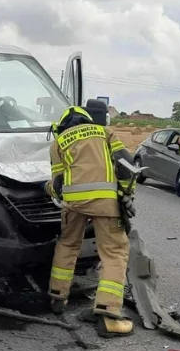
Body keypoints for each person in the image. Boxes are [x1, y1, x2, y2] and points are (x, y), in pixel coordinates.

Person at [45, 106, 137, 338]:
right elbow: (126, 165)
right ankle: (108, 316)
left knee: (67, 244)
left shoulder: (58, 143)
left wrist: (46, 189)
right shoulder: (105, 132)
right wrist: (127, 193)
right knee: (114, 252)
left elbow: (57, 185)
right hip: (105, 202)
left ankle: (57, 297)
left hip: (73, 204)